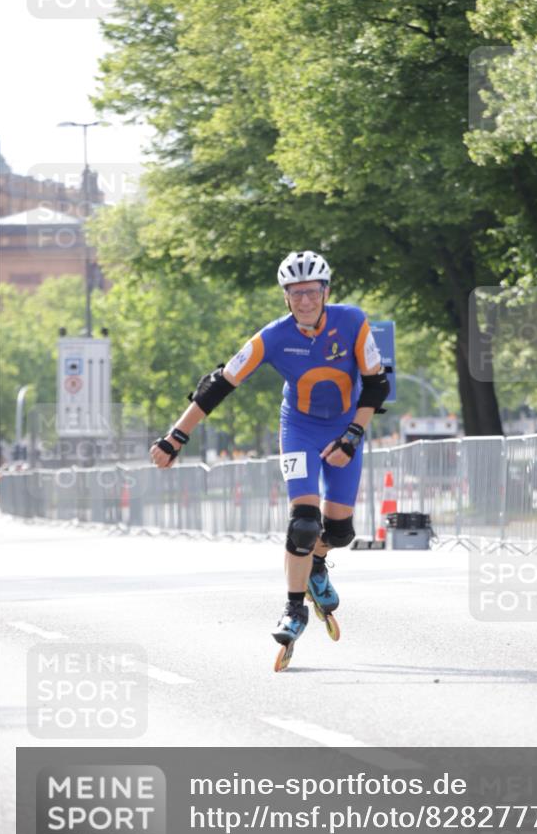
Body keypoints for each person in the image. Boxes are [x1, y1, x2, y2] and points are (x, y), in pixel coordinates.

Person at [149, 250, 389, 664]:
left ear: (326, 291)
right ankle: (294, 608)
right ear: (286, 297)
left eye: (312, 292)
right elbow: (220, 383)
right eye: (296, 294)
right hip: (298, 428)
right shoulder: (274, 337)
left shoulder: (353, 321)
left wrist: (353, 434)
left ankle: (317, 564)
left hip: (346, 428)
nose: (305, 301)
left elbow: (376, 385)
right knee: (303, 523)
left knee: (339, 532)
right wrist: (176, 436)